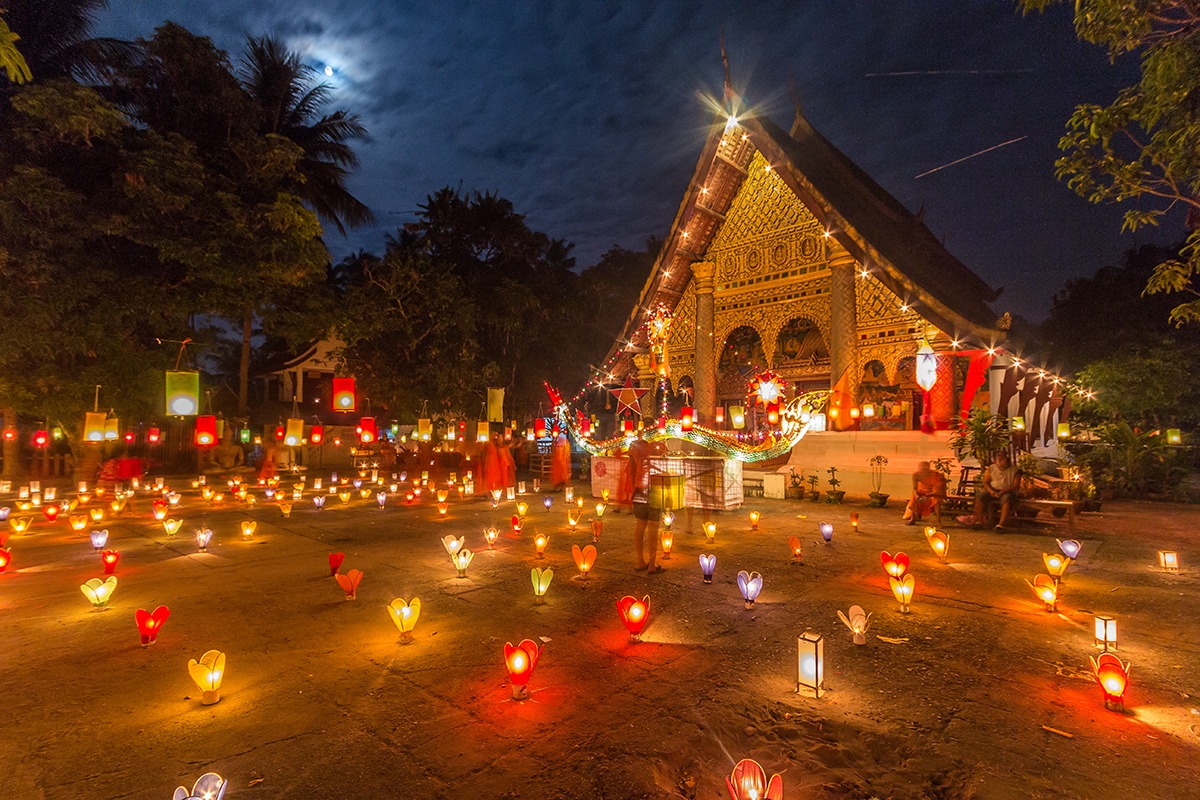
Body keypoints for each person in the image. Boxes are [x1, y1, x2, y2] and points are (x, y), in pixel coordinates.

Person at [627, 424, 663, 573]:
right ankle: (652, 565)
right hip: (654, 493)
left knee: (640, 526)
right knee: (653, 528)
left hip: (638, 493)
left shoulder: (633, 453)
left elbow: (629, 474)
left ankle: (639, 561)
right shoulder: (655, 453)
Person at [974, 450, 1019, 531]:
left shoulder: (1014, 470)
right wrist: (991, 491)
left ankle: (1001, 524)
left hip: (1007, 491)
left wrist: (1004, 491)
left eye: (1002, 458)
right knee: (980, 496)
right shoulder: (991, 468)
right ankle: (979, 522)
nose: (1000, 460)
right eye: (998, 458)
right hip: (993, 489)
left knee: (1006, 499)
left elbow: (1015, 485)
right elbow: (986, 482)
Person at [903, 461, 946, 527]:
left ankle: (938, 521)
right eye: (922, 469)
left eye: (925, 470)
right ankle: (913, 518)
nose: (923, 471)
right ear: (919, 469)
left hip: (933, 492)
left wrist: (927, 496)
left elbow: (937, 490)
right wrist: (917, 495)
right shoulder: (916, 475)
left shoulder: (935, 476)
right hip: (922, 490)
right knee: (914, 497)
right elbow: (915, 488)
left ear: (928, 469)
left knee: (936, 501)